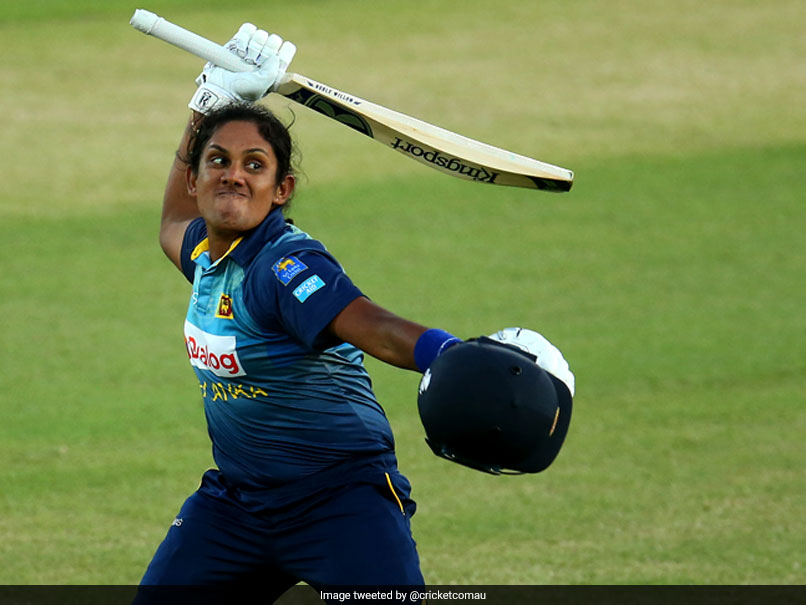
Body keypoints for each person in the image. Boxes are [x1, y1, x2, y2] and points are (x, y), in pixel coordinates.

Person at [135, 23, 463, 601]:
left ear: (281, 190)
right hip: (237, 506)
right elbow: (169, 222)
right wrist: (209, 102)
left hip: (339, 501)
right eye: (218, 161)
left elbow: (372, 326)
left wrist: (447, 354)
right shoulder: (209, 254)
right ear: (196, 177)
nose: (233, 173)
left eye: (254, 165)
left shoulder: (284, 265)